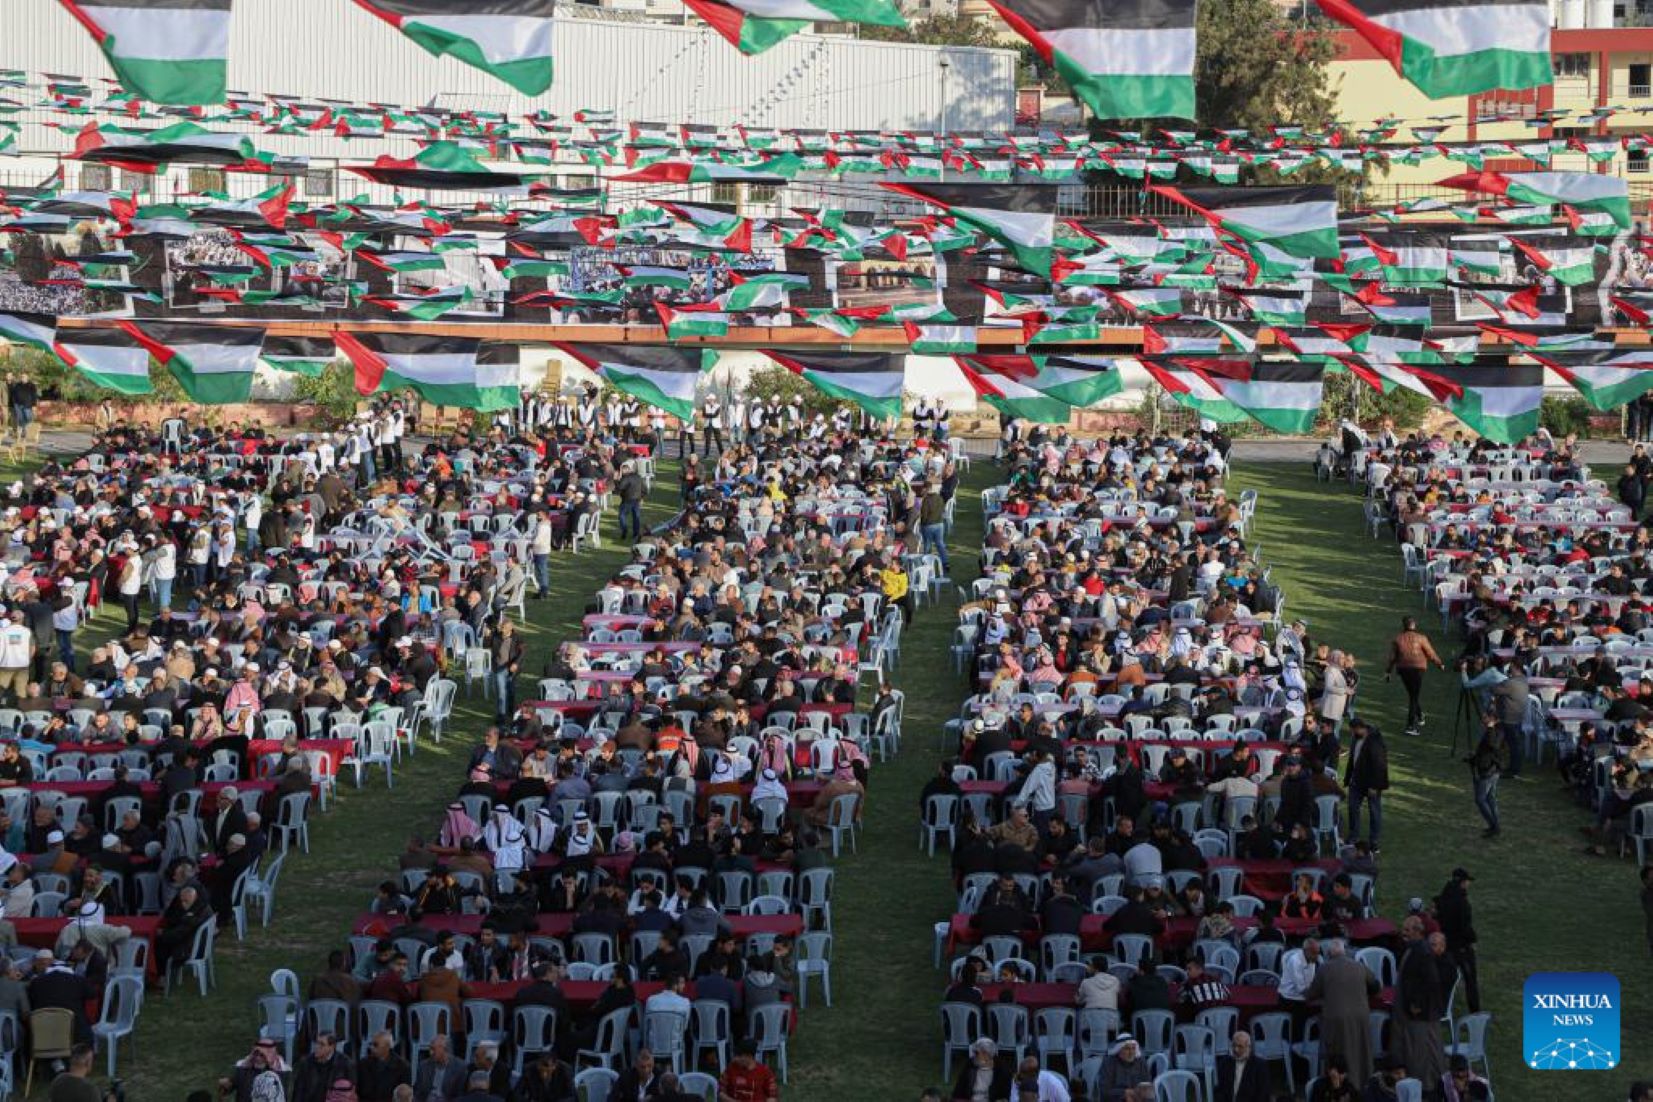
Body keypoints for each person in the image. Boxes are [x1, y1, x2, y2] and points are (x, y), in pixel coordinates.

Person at [1307, 939, 1380, 1085]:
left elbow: (1311, 994)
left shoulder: (1324, 969)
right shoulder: (1359, 966)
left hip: (1336, 1019)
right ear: (1344, 952)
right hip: (1360, 1016)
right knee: (1360, 1050)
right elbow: (1376, 986)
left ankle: (1340, 1085)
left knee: (1339, 1053)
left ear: (1328, 954)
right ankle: (1362, 1082)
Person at [1391, 917, 1447, 1092]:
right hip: (1413, 1012)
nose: (1403, 933)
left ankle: (1426, 1087)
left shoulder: (1421, 952)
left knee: (1421, 1053)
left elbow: (1431, 981)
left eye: (1407, 930)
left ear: (1417, 931)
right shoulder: (1414, 949)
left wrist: (1417, 1004)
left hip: (1420, 1014)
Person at [1384, 616, 1444, 736]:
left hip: (1403, 669)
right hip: (1418, 668)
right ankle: (1410, 726)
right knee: (1413, 697)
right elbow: (1430, 653)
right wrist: (1439, 664)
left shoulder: (1398, 639)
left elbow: (1392, 658)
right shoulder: (1421, 638)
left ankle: (1420, 715)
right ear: (1414, 625)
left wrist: (1388, 671)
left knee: (1412, 694)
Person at [1435, 868, 1480, 1014]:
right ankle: (1475, 1012)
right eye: (1467, 881)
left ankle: (1441, 1007)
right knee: (1470, 980)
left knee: (1446, 977)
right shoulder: (1462, 902)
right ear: (1462, 882)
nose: (1468, 885)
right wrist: (1472, 940)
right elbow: (1465, 926)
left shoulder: (1444, 897)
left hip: (1446, 945)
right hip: (1461, 947)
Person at [1342, 718, 1389, 852]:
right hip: (1356, 781)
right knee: (1352, 808)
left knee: (1374, 812)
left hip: (1371, 784)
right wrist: (1348, 778)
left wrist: (1374, 786)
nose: (1352, 733)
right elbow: (1353, 760)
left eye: (1353, 730)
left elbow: (1379, 765)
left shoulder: (1375, 741)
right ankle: (1353, 836)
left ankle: (1374, 842)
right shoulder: (1356, 739)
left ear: (1359, 728)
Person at [1464, 717, 1509, 839]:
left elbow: (1493, 745)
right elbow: (1486, 751)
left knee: (1480, 799)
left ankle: (1494, 826)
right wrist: (1473, 759)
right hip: (1490, 769)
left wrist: (1489, 727)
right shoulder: (1494, 730)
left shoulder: (1498, 731)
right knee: (1490, 798)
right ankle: (1494, 825)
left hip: (1489, 771)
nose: (1483, 718)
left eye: (1486, 716)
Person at [221, 1038, 289, 1102]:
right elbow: (230, 1085)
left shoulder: (280, 1072)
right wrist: (226, 1085)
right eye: (256, 1054)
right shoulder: (244, 1068)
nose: (257, 1058)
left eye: (262, 1055)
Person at [293, 1033, 355, 1102]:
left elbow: (351, 1092)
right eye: (316, 1043)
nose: (317, 1047)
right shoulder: (306, 1063)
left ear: (332, 1047)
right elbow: (299, 1091)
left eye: (322, 1044)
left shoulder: (345, 1064)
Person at [1213, 1031, 1271, 1102]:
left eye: (1240, 1046)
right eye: (1234, 1045)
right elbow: (1220, 1089)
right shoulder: (1225, 1063)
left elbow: (1263, 1093)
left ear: (1248, 1047)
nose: (1236, 1050)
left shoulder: (1260, 1065)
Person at [952, 1037, 1012, 1102]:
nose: (974, 1055)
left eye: (976, 1053)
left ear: (986, 1054)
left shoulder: (1001, 1071)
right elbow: (958, 1093)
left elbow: (1005, 1096)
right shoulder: (970, 1066)